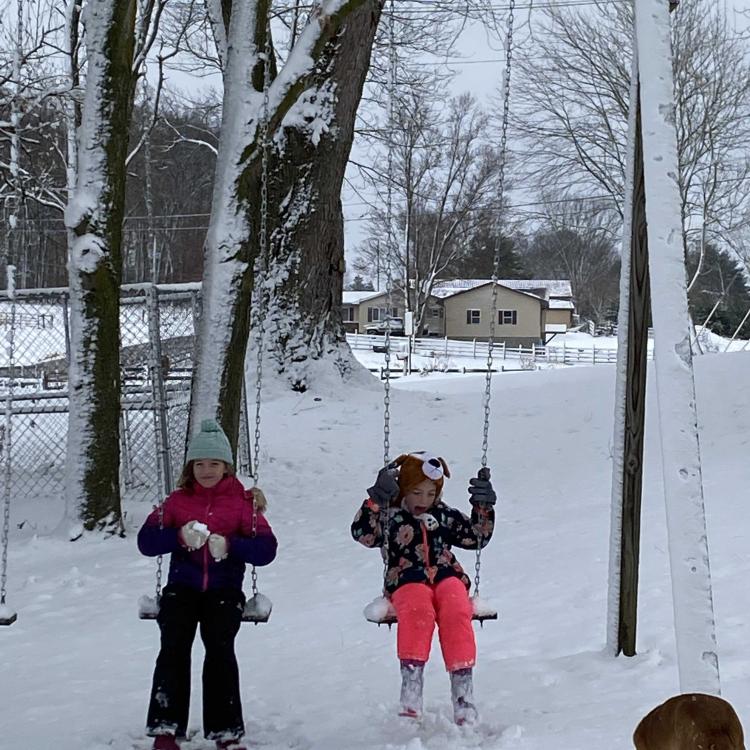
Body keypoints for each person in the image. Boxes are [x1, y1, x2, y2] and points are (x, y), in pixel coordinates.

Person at [138, 419, 277, 750]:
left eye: (213, 463)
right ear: (191, 467)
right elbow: (146, 541)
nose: (206, 470)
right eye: (199, 464)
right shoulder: (177, 501)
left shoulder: (243, 504)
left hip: (224, 591)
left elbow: (266, 550)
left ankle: (225, 731)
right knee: (173, 650)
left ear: (226, 466)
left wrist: (230, 546)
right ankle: (165, 728)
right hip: (181, 589)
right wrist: (178, 536)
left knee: (220, 651)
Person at [351, 451, 496, 725]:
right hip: (407, 578)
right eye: (417, 492)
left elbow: (476, 537)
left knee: (456, 608)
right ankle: (411, 688)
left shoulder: (444, 515)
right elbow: (363, 534)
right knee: (418, 611)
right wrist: (374, 502)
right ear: (404, 489)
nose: (424, 500)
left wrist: (483, 508)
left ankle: (463, 693)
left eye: (431, 493)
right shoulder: (390, 517)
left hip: (446, 574)